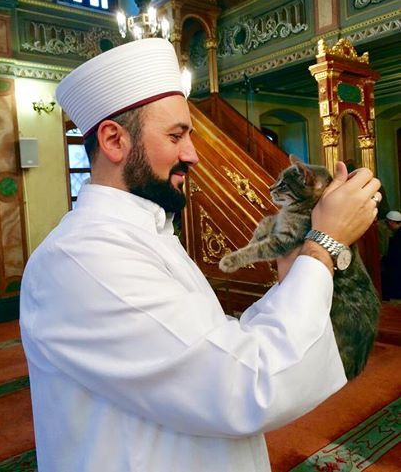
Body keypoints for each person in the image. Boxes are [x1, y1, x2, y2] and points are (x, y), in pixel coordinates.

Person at [20, 38, 381, 472]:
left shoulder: (146, 233)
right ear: (114, 140)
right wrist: (324, 244)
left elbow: (217, 343)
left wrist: (297, 268)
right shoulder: (81, 259)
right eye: (176, 136)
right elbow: (245, 385)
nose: (191, 154)